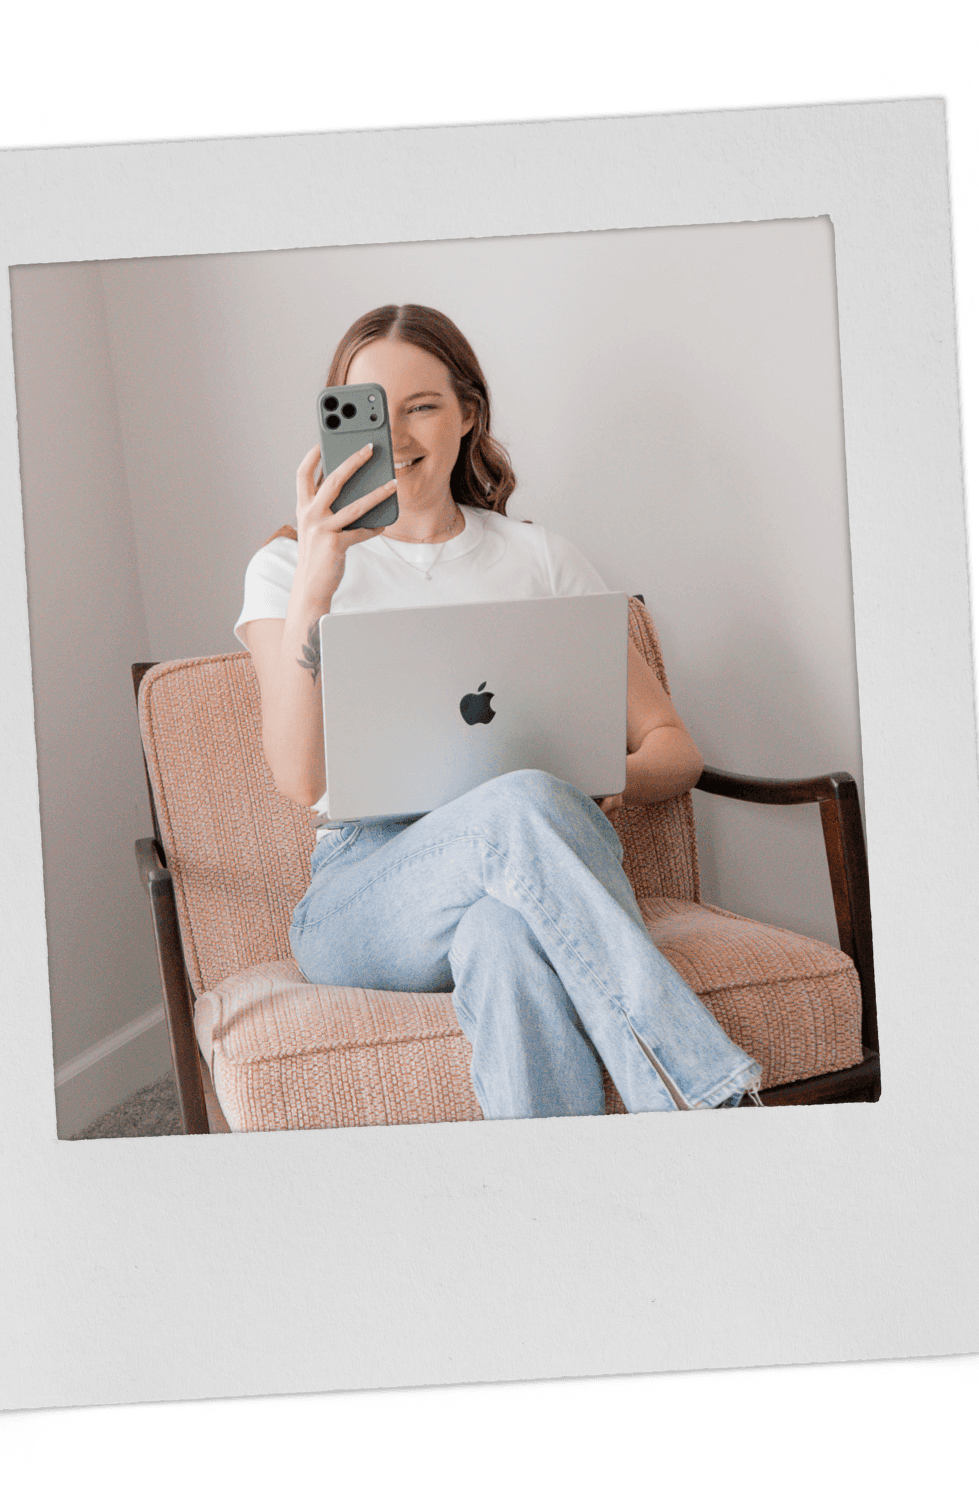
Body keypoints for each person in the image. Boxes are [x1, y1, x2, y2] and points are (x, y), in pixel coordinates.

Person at [235, 304, 762, 1119]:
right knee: (518, 800)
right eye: (372, 409)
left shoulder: (541, 559)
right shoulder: (286, 570)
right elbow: (298, 775)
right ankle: (703, 1099)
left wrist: (589, 779)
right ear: (339, 421)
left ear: (468, 413)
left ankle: (550, 1211)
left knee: (504, 933)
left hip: (536, 864)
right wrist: (317, 582)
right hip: (366, 888)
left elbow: (673, 749)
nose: (399, 433)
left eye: (423, 406)